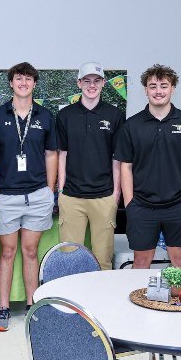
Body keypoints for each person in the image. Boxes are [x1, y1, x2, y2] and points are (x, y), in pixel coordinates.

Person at [0, 62, 57, 331]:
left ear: (34, 83)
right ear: (11, 83)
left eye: (28, 79)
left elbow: (51, 155)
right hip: (6, 196)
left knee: (30, 251)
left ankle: (31, 306)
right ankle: (3, 308)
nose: (23, 83)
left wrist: (50, 190)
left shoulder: (46, 116)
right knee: (8, 251)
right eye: (18, 78)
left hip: (38, 195)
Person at [114, 64, 181, 268]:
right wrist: (130, 203)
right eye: (153, 86)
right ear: (146, 90)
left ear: (172, 88)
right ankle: (138, 301)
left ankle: (178, 301)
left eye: (164, 86)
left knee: (180, 261)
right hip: (142, 206)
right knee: (140, 261)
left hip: (179, 206)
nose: (158, 91)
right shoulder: (132, 125)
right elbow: (125, 167)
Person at [56, 62, 125, 269]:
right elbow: (62, 155)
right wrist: (61, 190)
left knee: (102, 260)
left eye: (96, 81)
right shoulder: (65, 115)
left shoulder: (115, 115)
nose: (91, 85)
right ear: (79, 83)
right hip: (71, 197)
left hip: (104, 197)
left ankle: (99, 302)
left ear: (104, 83)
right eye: (87, 81)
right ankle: (69, 302)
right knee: (70, 259)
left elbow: (117, 158)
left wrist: (116, 194)